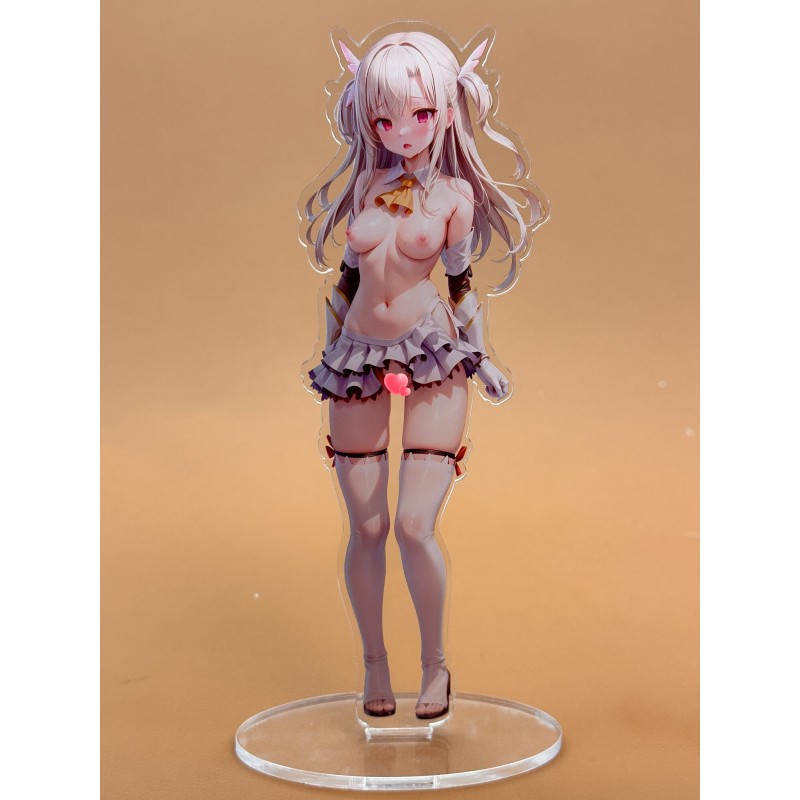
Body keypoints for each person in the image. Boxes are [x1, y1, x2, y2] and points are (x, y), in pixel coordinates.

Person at [304, 29, 544, 720]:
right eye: (383, 118)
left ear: (445, 110)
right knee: (366, 526)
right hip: (356, 356)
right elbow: (346, 281)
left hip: (432, 352)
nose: (401, 130)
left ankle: (435, 666)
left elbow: (462, 284)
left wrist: (484, 355)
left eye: (418, 113)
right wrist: (328, 349)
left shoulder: (456, 197)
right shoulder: (366, 184)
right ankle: (374, 666)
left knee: (414, 524)